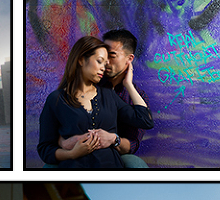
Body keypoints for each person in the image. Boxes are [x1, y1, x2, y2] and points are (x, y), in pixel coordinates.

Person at [37, 36, 154, 170]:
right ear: (81, 59)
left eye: (105, 63)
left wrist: (128, 84)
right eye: (100, 61)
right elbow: (45, 148)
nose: (104, 67)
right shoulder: (56, 99)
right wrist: (71, 153)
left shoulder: (109, 95)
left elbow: (146, 120)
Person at [102, 29, 150, 169]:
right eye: (103, 55)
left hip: (115, 154)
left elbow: (132, 144)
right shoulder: (89, 84)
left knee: (134, 164)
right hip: (81, 150)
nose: (105, 61)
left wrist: (113, 140)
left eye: (112, 56)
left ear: (129, 59)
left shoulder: (136, 98)